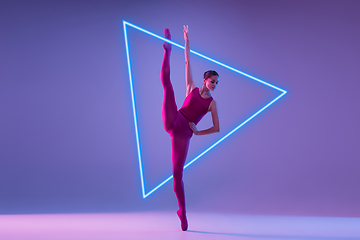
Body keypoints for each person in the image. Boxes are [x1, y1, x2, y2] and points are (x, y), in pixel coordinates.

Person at [161, 25, 220, 231]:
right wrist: (185, 40)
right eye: (212, 81)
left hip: (184, 134)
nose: (214, 85)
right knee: (168, 86)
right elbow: (187, 61)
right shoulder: (192, 87)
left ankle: (182, 212)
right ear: (205, 80)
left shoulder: (211, 103)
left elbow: (216, 128)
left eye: (216, 83)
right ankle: (167, 51)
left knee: (177, 175)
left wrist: (197, 132)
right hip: (173, 119)